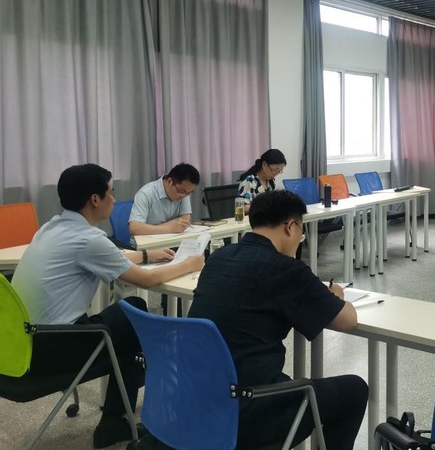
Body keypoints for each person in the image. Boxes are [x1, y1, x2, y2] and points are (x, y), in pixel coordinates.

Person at [11, 164, 204, 449]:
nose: (114, 199)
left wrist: (147, 255)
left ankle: (117, 416)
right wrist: (190, 263)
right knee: (134, 311)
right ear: (95, 199)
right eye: (111, 193)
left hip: (15, 346)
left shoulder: (49, 228)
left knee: (127, 331)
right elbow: (147, 280)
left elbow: (109, 255)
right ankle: (115, 420)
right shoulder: (89, 240)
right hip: (48, 350)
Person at [186, 190, 367, 450]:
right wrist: (335, 296)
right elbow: (347, 320)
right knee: (354, 390)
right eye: (301, 233)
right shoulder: (285, 269)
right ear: (290, 227)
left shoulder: (217, 258)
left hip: (196, 400)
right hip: (246, 410)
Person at [128, 163, 200, 237]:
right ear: (169, 182)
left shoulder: (184, 193)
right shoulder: (146, 193)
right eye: (182, 192)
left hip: (172, 240)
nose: (184, 196)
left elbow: (185, 221)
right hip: (148, 242)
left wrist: (156, 227)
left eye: (189, 193)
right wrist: (169, 228)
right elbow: (134, 228)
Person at [237, 148, 287, 214]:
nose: (276, 174)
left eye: (279, 171)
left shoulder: (269, 182)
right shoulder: (248, 182)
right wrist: (264, 208)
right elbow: (242, 207)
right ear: (264, 165)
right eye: (274, 170)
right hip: (254, 218)